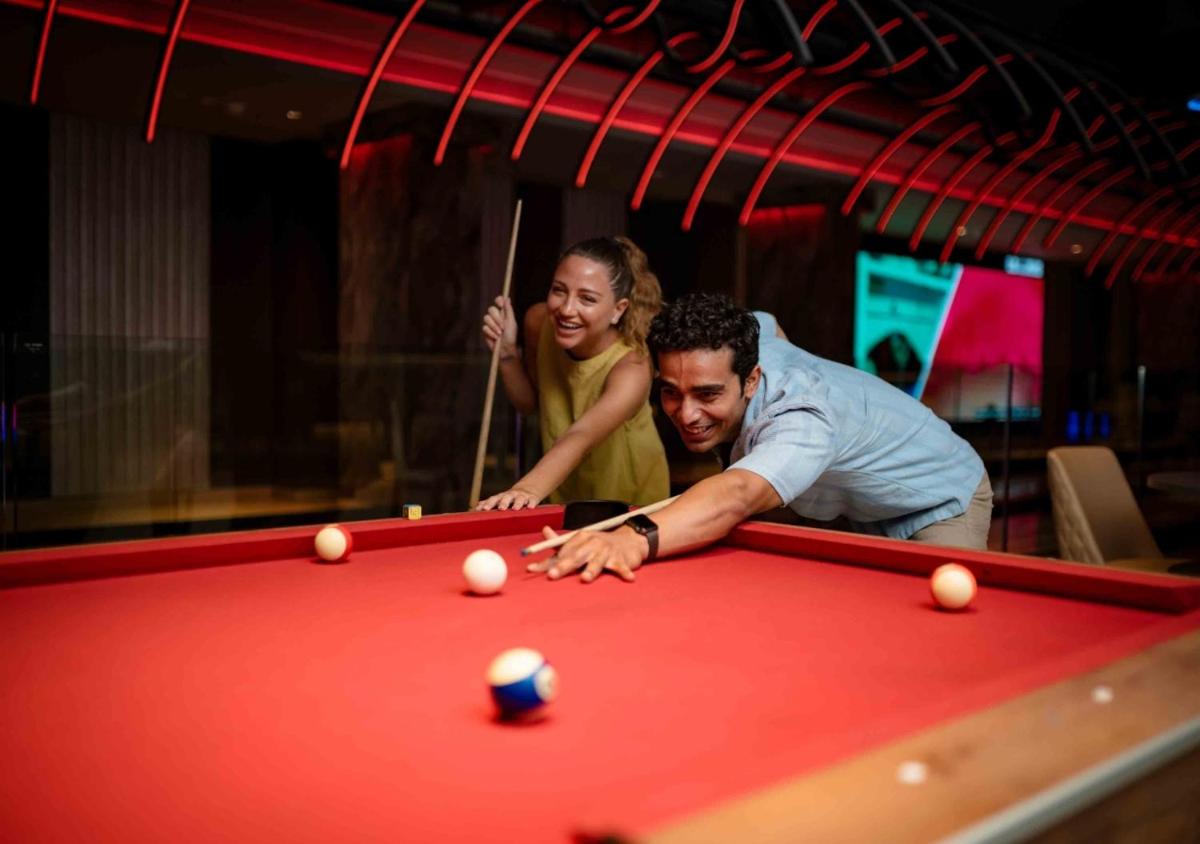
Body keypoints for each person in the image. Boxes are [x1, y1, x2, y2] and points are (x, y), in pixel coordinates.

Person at [530, 291, 993, 583]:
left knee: (939, 632)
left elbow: (736, 493)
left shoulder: (803, 417)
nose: (687, 414)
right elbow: (766, 320)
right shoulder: (746, 340)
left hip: (938, 497)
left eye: (708, 394)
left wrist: (631, 539)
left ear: (752, 380)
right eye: (671, 392)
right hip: (859, 503)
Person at [476, 237, 669, 510]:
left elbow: (581, 435)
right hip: (566, 491)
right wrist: (507, 355)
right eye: (559, 290)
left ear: (618, 310)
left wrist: (525, 489)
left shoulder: (632, 367)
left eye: (587, 299)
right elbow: (530, 403)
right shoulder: (538, 323)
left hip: (631, 503)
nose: (567, 309)